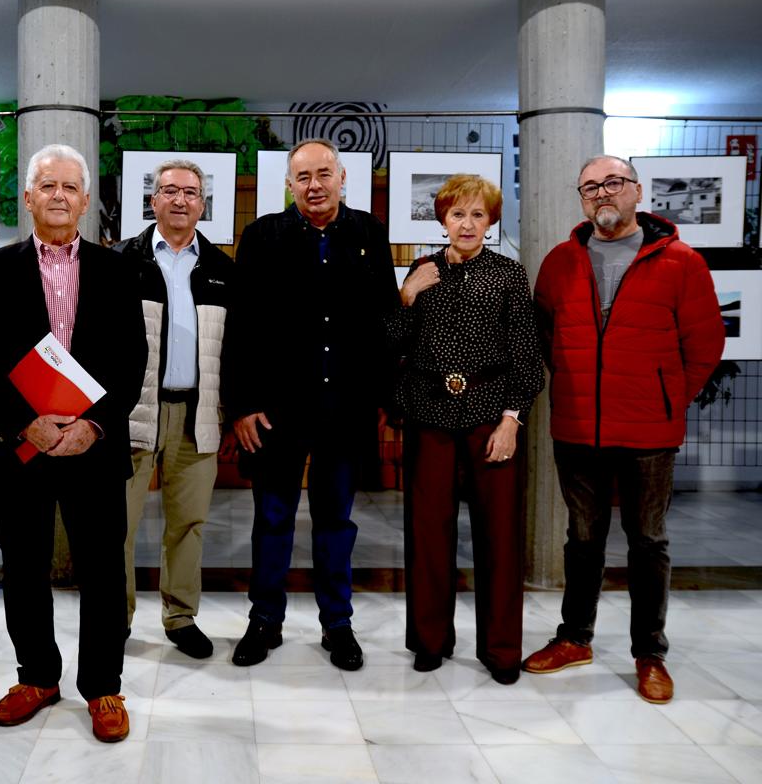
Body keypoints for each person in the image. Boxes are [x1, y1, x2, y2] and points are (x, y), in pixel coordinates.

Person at [526, 154, 725, 703]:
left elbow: (705, 344)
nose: (602, 193)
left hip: (649, 432)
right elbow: (544, 335)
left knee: (648, 542)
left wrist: (666, 398)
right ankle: (574, 638)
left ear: (637, 191)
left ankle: (650, 654)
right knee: (582, 540)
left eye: (613, 182)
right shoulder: (560, 261)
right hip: (577, 426)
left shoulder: (681, 262)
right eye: (590, 187)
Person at [0, 143, 145, 742]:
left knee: (102, 570)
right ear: (27, 197)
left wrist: (92, 426)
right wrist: (26, 423)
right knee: (24, 567)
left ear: (86, 200)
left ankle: (103, 686)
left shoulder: (118, 270)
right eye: (47, 185)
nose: (58, 196)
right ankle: (37, 677)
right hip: (19, 445)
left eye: (70, 187)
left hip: (92, 446)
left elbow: (131, 360)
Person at [224, 138, 399, 670]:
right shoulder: (262, 236)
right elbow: (241, 326)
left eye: (324, 173)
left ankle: (337, 624)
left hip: (345, 408)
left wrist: (385, 399)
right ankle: (264, 620)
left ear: (343, 178)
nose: (315, 185)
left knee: (335, 522)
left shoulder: (368, 233)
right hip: (277, 411)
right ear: (289, 184)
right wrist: (242, 405)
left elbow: (385, 320)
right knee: (272, 519)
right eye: (303, 177)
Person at [389, 174, 543, 685]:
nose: (468, 224)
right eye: (458, 214)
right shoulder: (421, 270)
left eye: (478, 215)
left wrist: (512, 420)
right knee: (427, 533)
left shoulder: (508, 275)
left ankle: (501, 649)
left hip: (490, 418)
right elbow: (390, 345)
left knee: (499, 536)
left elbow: (526, 355)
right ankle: (429, 640)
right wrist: (406, 295)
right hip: (429, 415)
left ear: (491, 221)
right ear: (443, 220)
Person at [115, 159, 234, 659]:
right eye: (169, 190)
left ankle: (181, 617)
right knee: (117, 525)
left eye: (190, 192)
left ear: (202, 204)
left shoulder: (223, 269)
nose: (180, 200)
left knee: (189, 524)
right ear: (153, 201)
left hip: (196, 414)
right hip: (133, 413)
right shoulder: (122, 261)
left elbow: (236, 350)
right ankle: (114, 620)